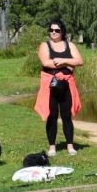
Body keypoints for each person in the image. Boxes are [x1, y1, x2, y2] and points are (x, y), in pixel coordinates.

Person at [34, 19, 84, 157]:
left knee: (66, 115)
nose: (54, 33)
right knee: (52, 115)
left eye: (57, 30)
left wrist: (63, 61)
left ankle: (70, 145)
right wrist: (67, 64)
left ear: (62, 31)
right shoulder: (45, 45)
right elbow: (46, 62)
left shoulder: (70, 45)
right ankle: (52, 147)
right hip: (51, 84)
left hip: (67, 83)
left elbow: (79, 61)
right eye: (51, 30)